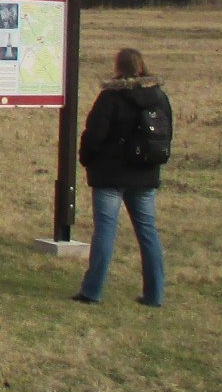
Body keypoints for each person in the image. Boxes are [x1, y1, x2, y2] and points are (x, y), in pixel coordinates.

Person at [72, 47, 172, 307]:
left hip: (110, 175)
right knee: (148, 233)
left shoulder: (110, 98)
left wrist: (86, 159)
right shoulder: (159, 97)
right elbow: (165, 134)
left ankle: (92, 291)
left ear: (118, 67)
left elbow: (94, 135)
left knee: (105, 233)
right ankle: (155, 294)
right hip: (145, 174)